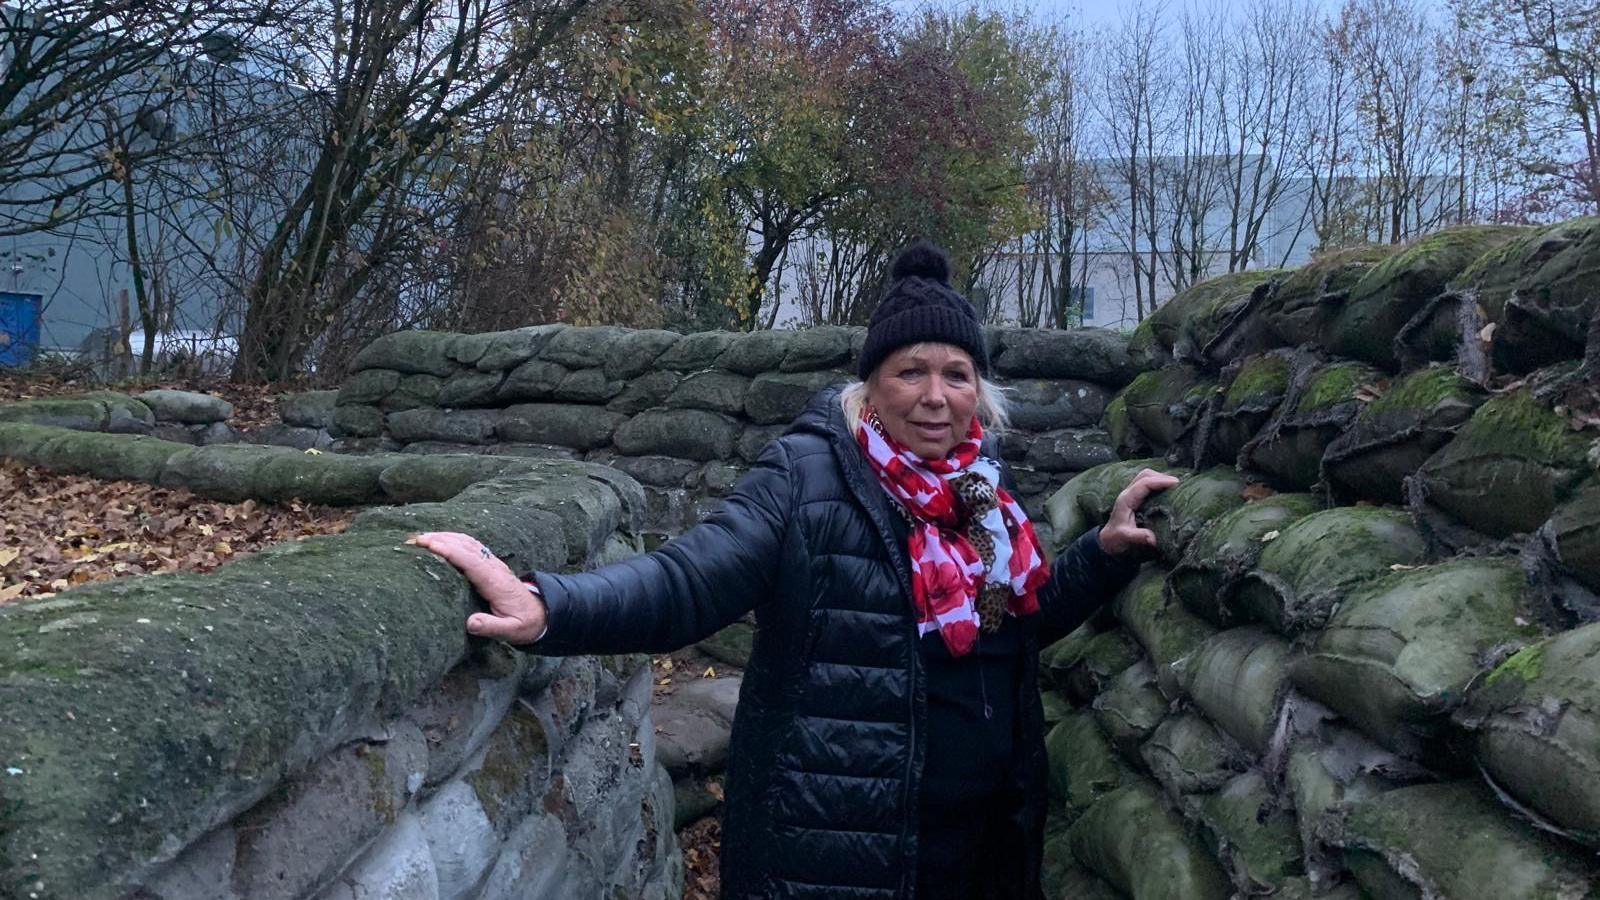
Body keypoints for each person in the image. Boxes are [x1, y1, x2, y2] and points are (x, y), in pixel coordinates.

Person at [413, 240, 1176, 900]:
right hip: (837, 847)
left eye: (957, 373)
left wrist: (1101, 556)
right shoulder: (807, 477)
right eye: (912, 371)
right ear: (870, 385)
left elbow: (1013, 627)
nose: (936, 396)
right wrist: (552, 607)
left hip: (977, 845)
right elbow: (689, 581)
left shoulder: (983, 497)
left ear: (980, 389)